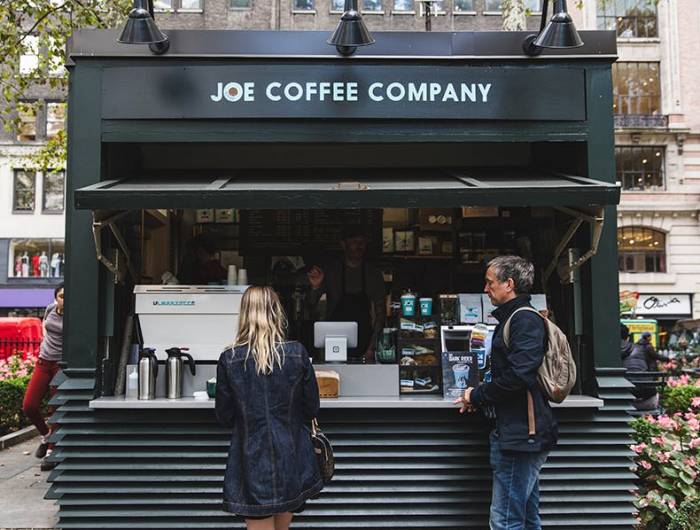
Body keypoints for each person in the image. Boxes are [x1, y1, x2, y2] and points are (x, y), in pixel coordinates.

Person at [453, 256, 557, 530]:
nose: (486, 289)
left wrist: (476, 395)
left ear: (508, 284)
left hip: (522, 435)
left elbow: (517, 376)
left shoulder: (523, 321)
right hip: (519, 432)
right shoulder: (515, 318)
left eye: (490, 282)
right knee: (526, 517)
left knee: (505, 520)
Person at [215, 286, 323, 530]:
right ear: (277, 313)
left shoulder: (230, 359)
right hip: (292, 457)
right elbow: (311, 408)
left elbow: (224, 415)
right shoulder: (297, 353)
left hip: (251, 459)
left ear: (244, 314)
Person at [306, 225, 385, 363]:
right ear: (343, 245)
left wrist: (372, 348)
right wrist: (315, 287)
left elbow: (380, 314)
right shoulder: (332, 271)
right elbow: (311, 305)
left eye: (362, 242)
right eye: (354, 242)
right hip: (333, 340)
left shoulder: (373, 274)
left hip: (364, 342)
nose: (358, 246)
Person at [22, 283, 64, 472]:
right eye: (61, 296)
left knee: (55, 408)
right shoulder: (49, 309)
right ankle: (46, 435)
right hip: (43, 361)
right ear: (56, 297)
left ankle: (51, 451)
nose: (64, 300)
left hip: (58, 365)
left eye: (67, 297)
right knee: (29, 405)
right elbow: (45, 324)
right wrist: (44, 340)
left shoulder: (74, 316)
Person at [621, 325, 659, 411]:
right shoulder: (640, 348)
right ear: (627, 337)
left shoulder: (609, 350)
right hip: (648, 397)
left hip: (622, 399)